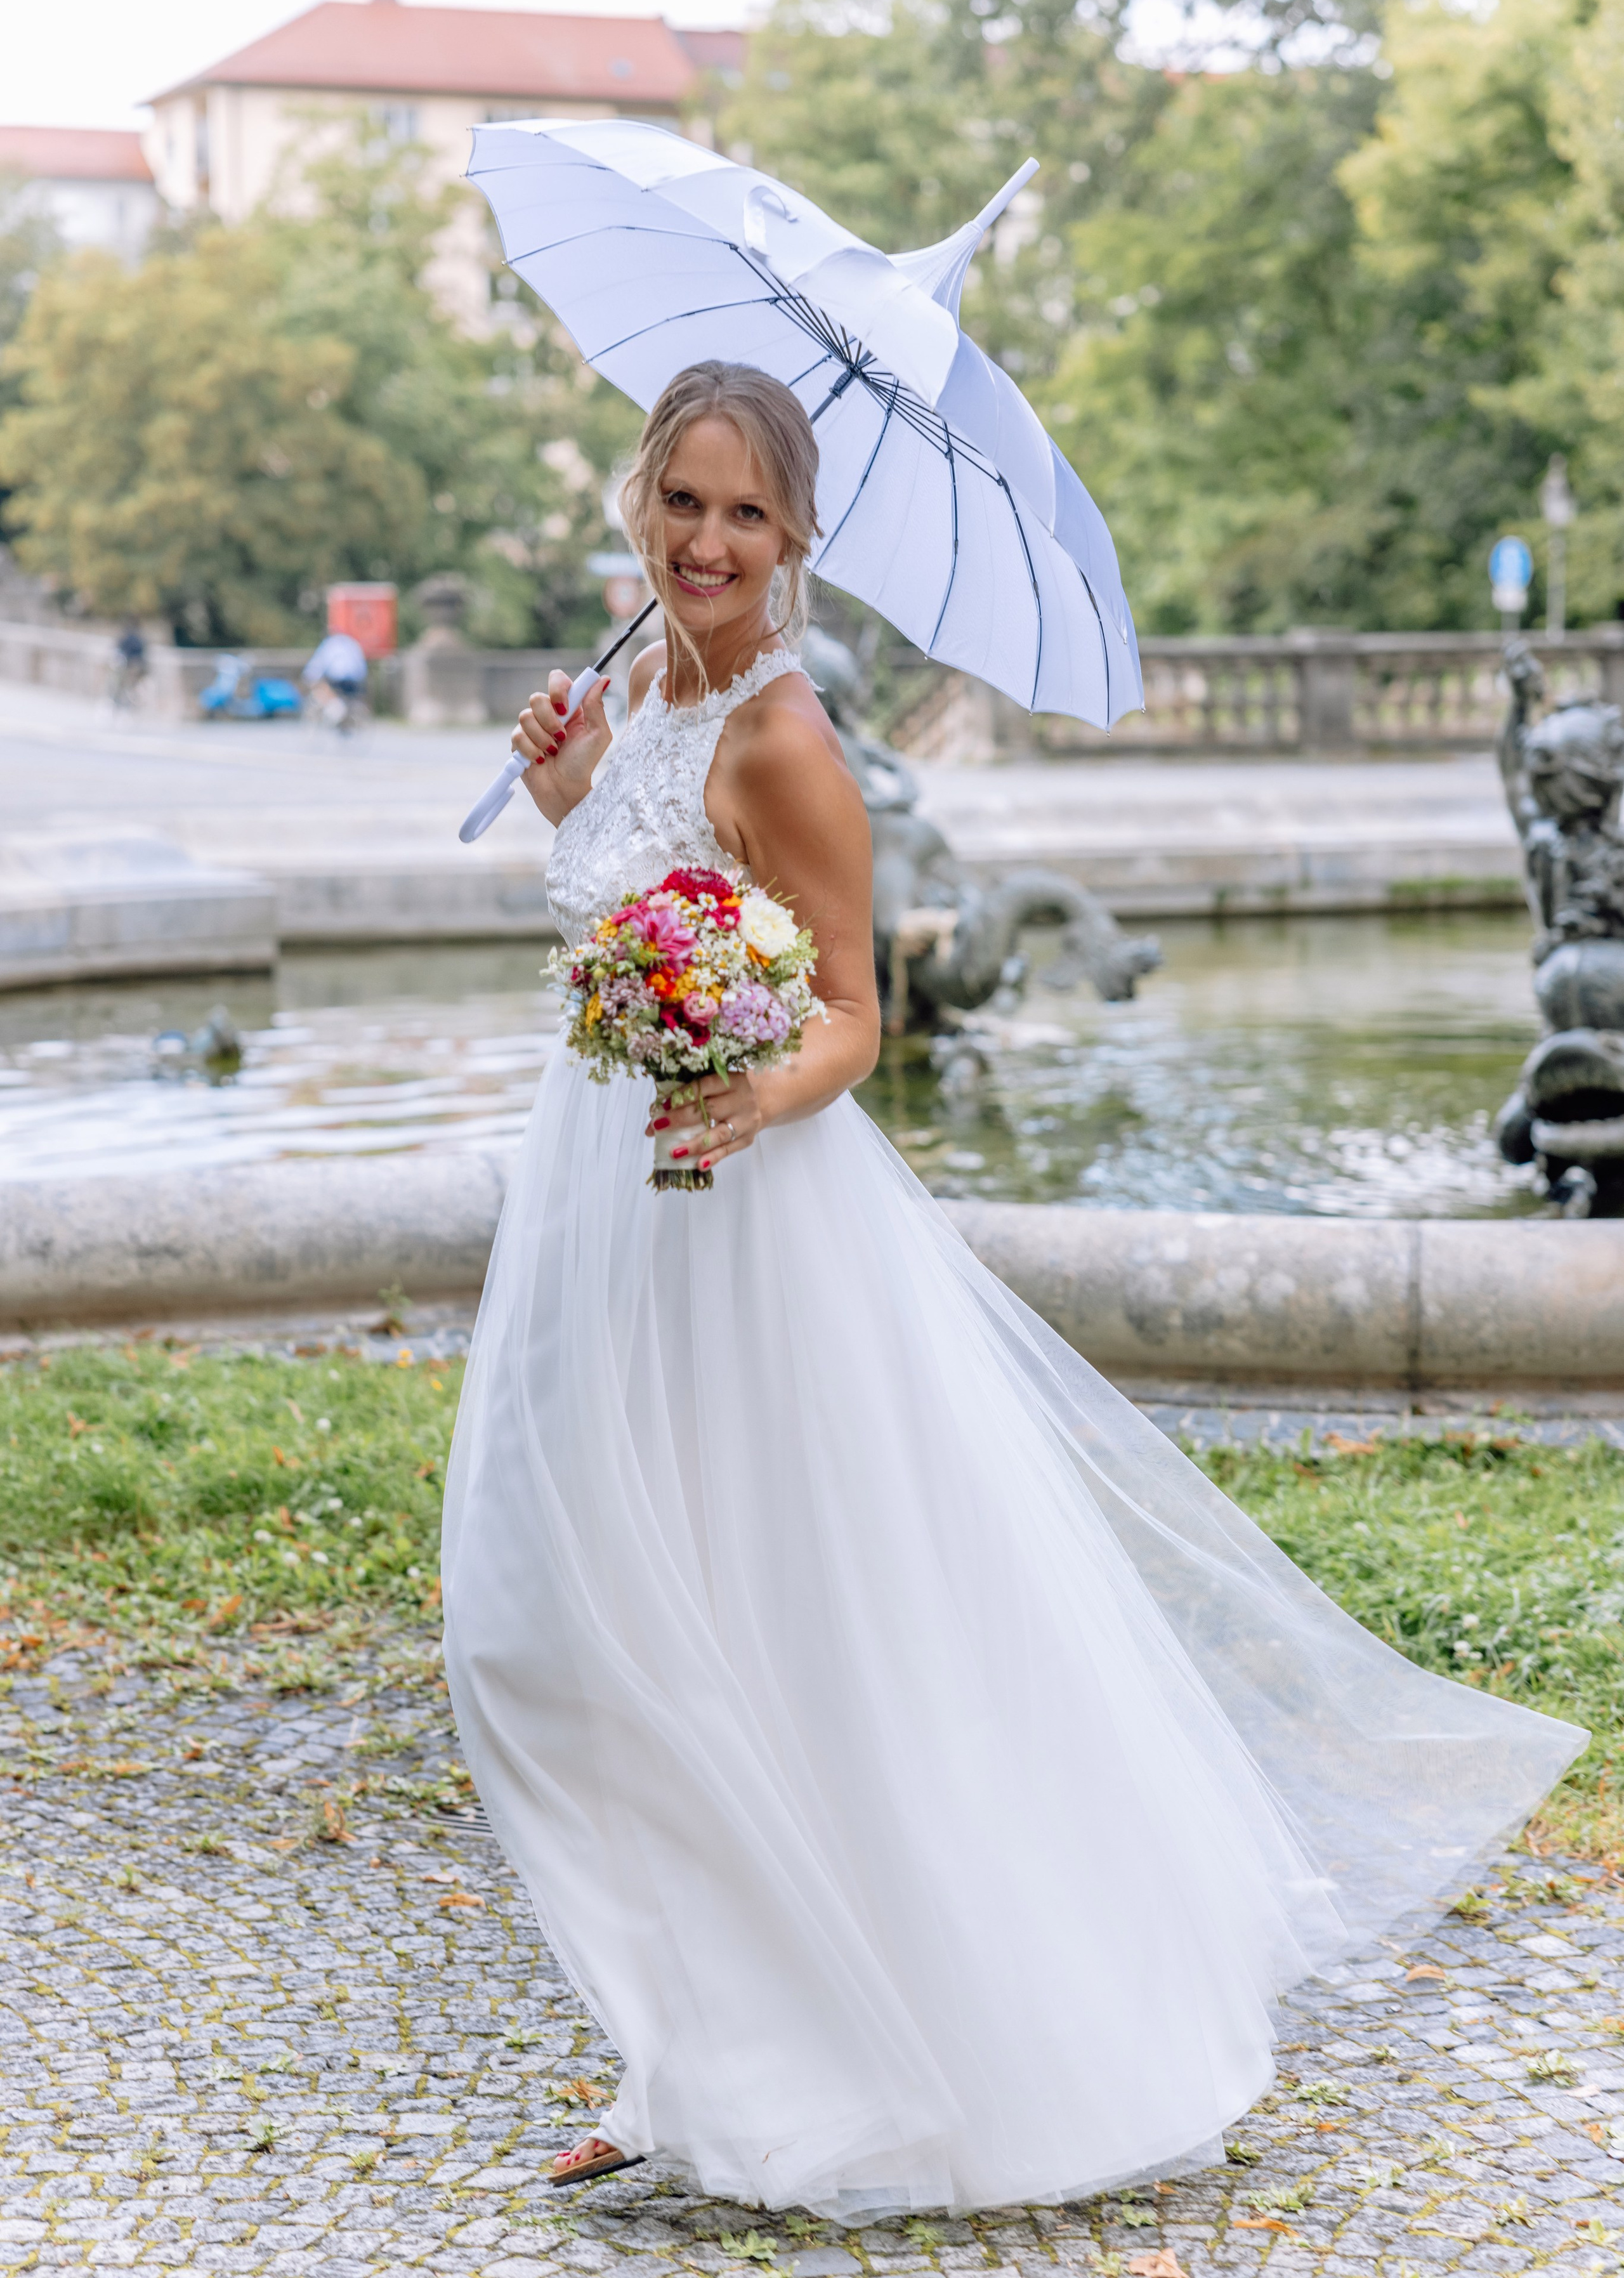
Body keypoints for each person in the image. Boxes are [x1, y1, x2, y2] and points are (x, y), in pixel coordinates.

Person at [442, 362, 1582, 2220]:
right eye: (681, 502)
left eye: (745, 513)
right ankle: (697, 2046)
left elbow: (854, 1019)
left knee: (766, 1629)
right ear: (636, 504)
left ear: (795, 537)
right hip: (606, 1207)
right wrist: (571, 783)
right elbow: (615, 888)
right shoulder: (639, 689)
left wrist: (746, 1083)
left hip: (741, 1220)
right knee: (548, 1618)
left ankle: (776, 2064)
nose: (707, 541)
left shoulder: (783, 737)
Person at [301, 627, 369, 729]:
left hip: (337, 679)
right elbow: (361, 666)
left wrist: (309, 677)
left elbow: (318, 665)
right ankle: (343, 712)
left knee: (321, 686)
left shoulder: (329, 644)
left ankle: (336, 709)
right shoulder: (353, 643)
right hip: (355, 680)